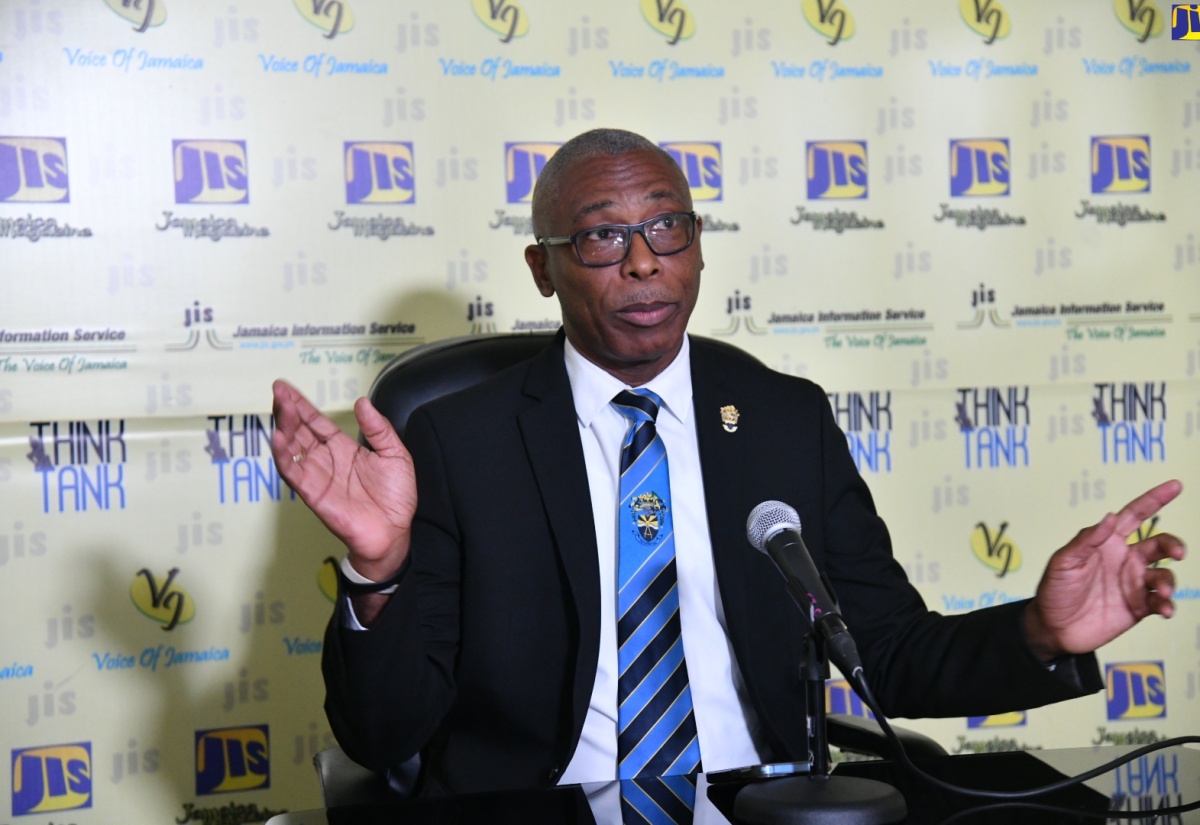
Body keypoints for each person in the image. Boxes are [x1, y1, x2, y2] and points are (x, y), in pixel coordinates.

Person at [270, 128, 1185, 797]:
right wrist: (375, 574)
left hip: (761, 808)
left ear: (698, 247)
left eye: (670, 229)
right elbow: (382, 730)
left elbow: (890, 656)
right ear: (544, 268)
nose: (644, 264)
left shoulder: (786, 418)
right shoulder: (457, 439)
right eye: (601, 237)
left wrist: (1040, 631)